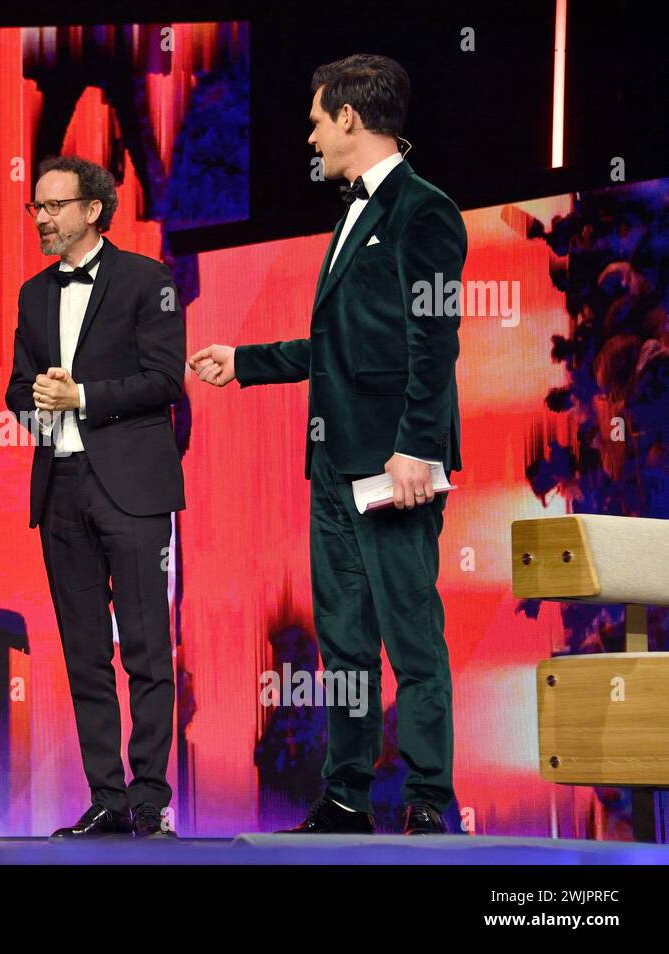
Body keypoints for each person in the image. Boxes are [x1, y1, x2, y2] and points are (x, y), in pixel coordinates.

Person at [190, 54, 466, 835]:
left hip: (394, 470)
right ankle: (346, 798)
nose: (309, 133)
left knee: (411, 640)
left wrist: (416, 448)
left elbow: (433, 336)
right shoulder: (350, 212)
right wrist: (246, 363)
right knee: (343, 647)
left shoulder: (425, 211)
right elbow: (341, 347)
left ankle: (426, 804)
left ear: (349, 118)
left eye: (316, 118)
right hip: (335, 469)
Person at [5, 155, 185, 840]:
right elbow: (17, 390)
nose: (44, 219)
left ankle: (148, 802)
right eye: (36, 208)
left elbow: (166, 379)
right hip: (62, 488)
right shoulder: (31, 293)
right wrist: (43, 406)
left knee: (145, 649)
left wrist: (82, 397)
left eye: (55, 207)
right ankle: (107, 799)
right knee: (84, 654)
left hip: (134, 489)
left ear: (93, 210)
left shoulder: (147, 279)